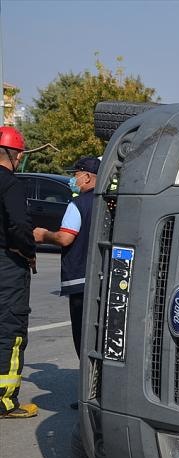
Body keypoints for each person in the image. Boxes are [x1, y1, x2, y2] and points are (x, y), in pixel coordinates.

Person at [33, 157, 99, 363]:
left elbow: (65, 238)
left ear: (87, 177)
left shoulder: (77, 204)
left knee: (83, 339)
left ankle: (88, 388)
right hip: (103, 280)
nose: (73, 179)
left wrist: (43, 235)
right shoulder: (109, 202)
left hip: (79, 281)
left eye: (76, 174)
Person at [0, 126, 38, 418]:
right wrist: (27, 251)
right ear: (15, 155)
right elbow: (19, 227)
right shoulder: (10, 184)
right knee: (10, 331)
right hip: (7, 265)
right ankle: (5, 400)